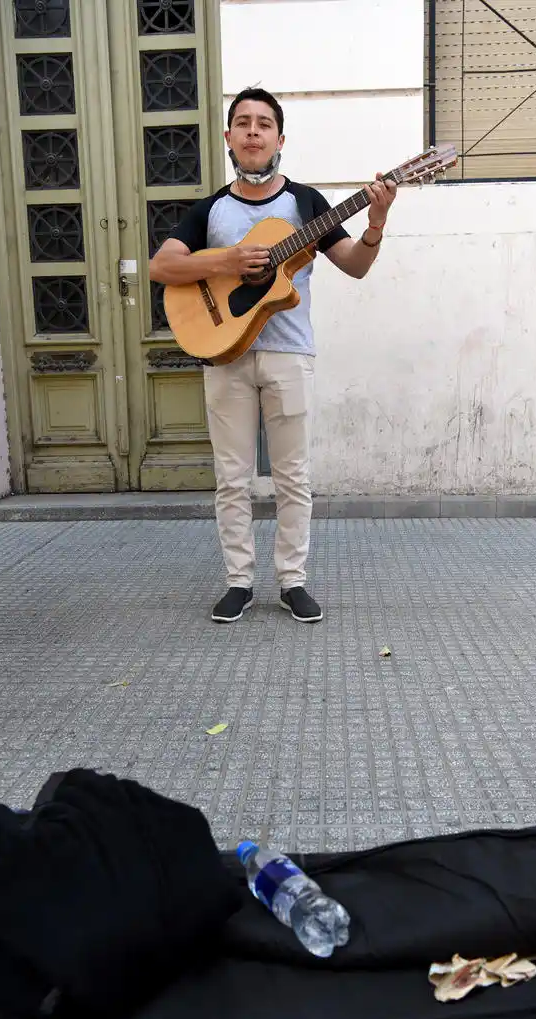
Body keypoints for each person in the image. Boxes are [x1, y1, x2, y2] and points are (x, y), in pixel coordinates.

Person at [149, 88, 397, 624]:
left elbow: (354, 265)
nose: (254, 132)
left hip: (288, 354)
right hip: (224, 354)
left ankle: (292, 581)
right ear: (229, 138)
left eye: (264, 124)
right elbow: (162, 268)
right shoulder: (210, 209)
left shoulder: (307, 204)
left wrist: (375, 225)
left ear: (280, 139)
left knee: (292, 475)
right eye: (243, 123)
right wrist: (228, 258)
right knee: (231, 476)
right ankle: (239, 581)